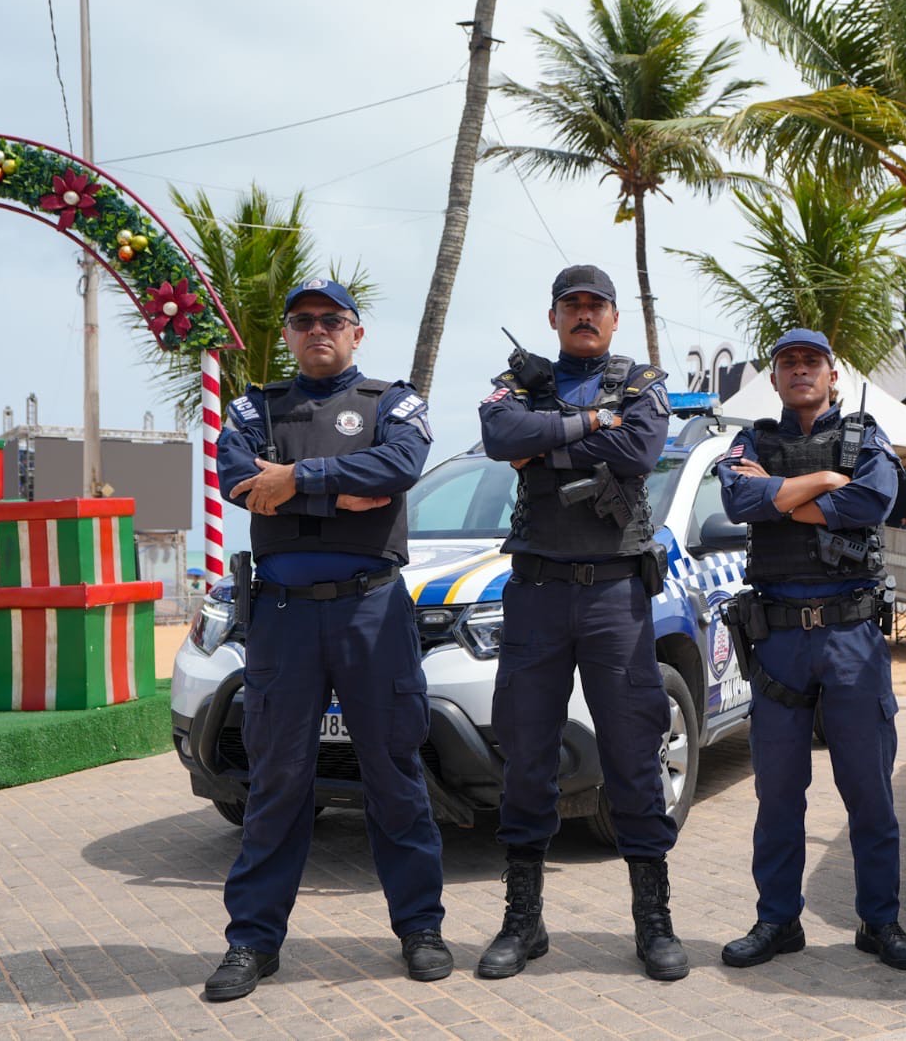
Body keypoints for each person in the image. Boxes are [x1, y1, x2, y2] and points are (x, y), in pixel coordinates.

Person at [207, 278, 448, 1001]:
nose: (318, 329)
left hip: (371, 611)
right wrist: (344, 492)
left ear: (355, 332)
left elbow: (398, 469)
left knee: (394, 773)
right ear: (288, 333)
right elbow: (238, 480)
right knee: (277, 778)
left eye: (332, 320)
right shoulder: (255, 408)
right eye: (303, 319)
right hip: (283, 618)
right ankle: (253, 941)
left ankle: (420, 928)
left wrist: (297, 478)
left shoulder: (391, 402)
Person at [476, 264, 687, 982]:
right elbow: (499, 433)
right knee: (526, 755)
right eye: (573, 305)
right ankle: (523, 921)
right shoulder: (521, 382)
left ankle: (653, 920)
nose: (585, 315)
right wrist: (593, 422)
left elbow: (641, 451)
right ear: (554, 316)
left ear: (615, 318)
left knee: (633, 755)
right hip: (536, 593)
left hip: (614, 597)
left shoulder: (641, 382)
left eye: (597, 305)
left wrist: (546, 444)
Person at [716, 328, 906, 972]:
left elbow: (872, 500)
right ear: (776, 378)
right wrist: (824, 481)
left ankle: (880, 922)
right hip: (778, 639)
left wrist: (781, 496)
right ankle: (777, 921)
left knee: (868, 792)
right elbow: (738, 499)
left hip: (850, 637)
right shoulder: (751, 441)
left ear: (833, 375)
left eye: (813, 362)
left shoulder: (865, 438)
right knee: (778, 794)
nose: (801, 370)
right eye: (789, 363)